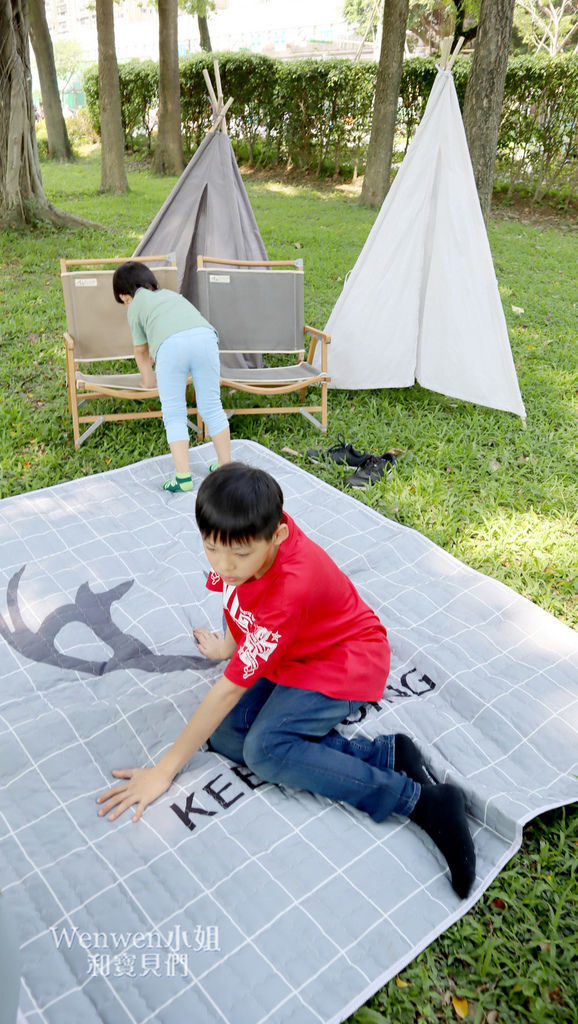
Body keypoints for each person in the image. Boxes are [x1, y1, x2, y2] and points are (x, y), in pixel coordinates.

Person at [97, 463, 476, 898]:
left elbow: (228, 688)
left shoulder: (288, 588)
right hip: (291, 653)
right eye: (210, 549)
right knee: (225, 737)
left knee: (264, 751)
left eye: (238, 556)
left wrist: (164, 772)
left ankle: (420, 801)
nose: (223, 565)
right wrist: (227, 644)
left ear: (277, 535)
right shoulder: (243, 536)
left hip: (346, 659)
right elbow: (236, 593)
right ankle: (383, 754)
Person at [112, 261, 231, 492]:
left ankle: (183, 477)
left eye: (124, 302)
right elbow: (181, 326)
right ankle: (226, 467)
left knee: (174, 412)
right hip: (205, 336)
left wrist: (148, 380)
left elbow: (141, 351)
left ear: (126, 295)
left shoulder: (136, 306)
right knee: (212, 406)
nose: (127, 306)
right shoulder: (170, 296)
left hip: (170, 347)